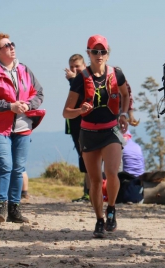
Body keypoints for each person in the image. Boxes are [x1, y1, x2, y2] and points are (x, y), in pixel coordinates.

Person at [63, 34, 130, 238]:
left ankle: (111, 209)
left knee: (111, 172)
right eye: (95, 51)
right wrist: (79, 111)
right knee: (94, 180)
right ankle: (99, 219)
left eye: (103, 51)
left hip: (111, 130)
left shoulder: (116, 74)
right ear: (88, 54)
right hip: (89, 132)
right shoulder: (80, 80)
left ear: (108, 54)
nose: (99, 55)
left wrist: (125, 113)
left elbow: (125, 94)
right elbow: (66, 112)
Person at [0, 33, 44, 223]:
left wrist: (29, 105)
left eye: (12, 44)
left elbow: (39, 92)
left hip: (23, 126)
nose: (11, 47)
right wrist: (9, 106)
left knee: (18, 168)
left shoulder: (24, 69)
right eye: (6, 46)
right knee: (4, 165)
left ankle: (15, 209)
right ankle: (0, 206)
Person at [64, 54, 91, 202]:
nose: (74, 70)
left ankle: (90, 193)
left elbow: (83, 96)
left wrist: (72, 80)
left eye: (77, 67)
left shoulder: (86, 79)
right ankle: (87, 192)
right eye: (72, 67)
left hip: (85, 124)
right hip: (75, 125)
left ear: (84, 66)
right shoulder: (76, 81)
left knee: (88, 158)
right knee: (83, 158)